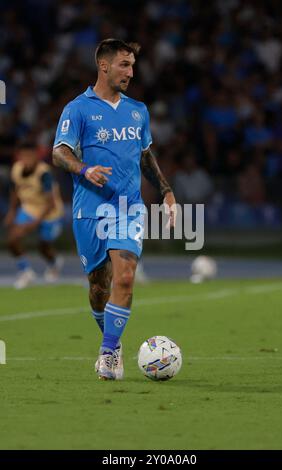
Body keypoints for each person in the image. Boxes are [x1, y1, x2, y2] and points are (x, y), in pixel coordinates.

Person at [52, 38, 176, 380]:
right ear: (103, 66)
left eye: (133, 65)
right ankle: (114, 343)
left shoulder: (138, 110)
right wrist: (83, 169)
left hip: (128, 207)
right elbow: (59, 152)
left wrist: (166, 191)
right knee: (98, 286)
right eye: (124, 64)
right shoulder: (77, 108)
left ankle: (107, 353)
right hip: (90, 210)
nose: (131, 72)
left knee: (125, 276)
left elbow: (145, 156)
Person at [4, 141, 64, 289]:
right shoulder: (16, 169)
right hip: (29, 208)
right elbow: (14, 191)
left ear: (36, 156)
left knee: (43, 246)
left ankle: (54, 263)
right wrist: (12, 212)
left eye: (29, 156)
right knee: (12, 239)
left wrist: (33, 224)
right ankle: (26, 272)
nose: (26, 159)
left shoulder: (44, 173)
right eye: (23, 156)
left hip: (50, 213)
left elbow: (50, 203)